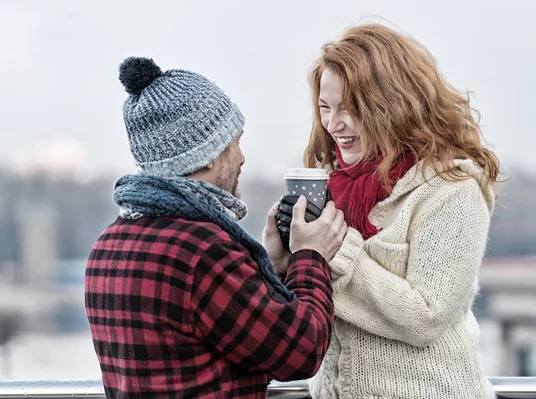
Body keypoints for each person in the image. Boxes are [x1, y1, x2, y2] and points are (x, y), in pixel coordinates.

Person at [84, 56, 347, 399]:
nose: (240, 157)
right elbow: (301, 350)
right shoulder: (201, 251)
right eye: (234, 141)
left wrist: (269, 266)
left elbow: (225, 336)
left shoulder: (108, 245)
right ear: (208, 154)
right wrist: (311, 254)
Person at [288, 24, 501, 398]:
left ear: (393, 105)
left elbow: (428, 315)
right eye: (325, 107)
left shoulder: (452, 189)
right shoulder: (330, 187)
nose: (333, 124)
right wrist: (283, 254)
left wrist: (335, 249)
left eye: (350, 109)